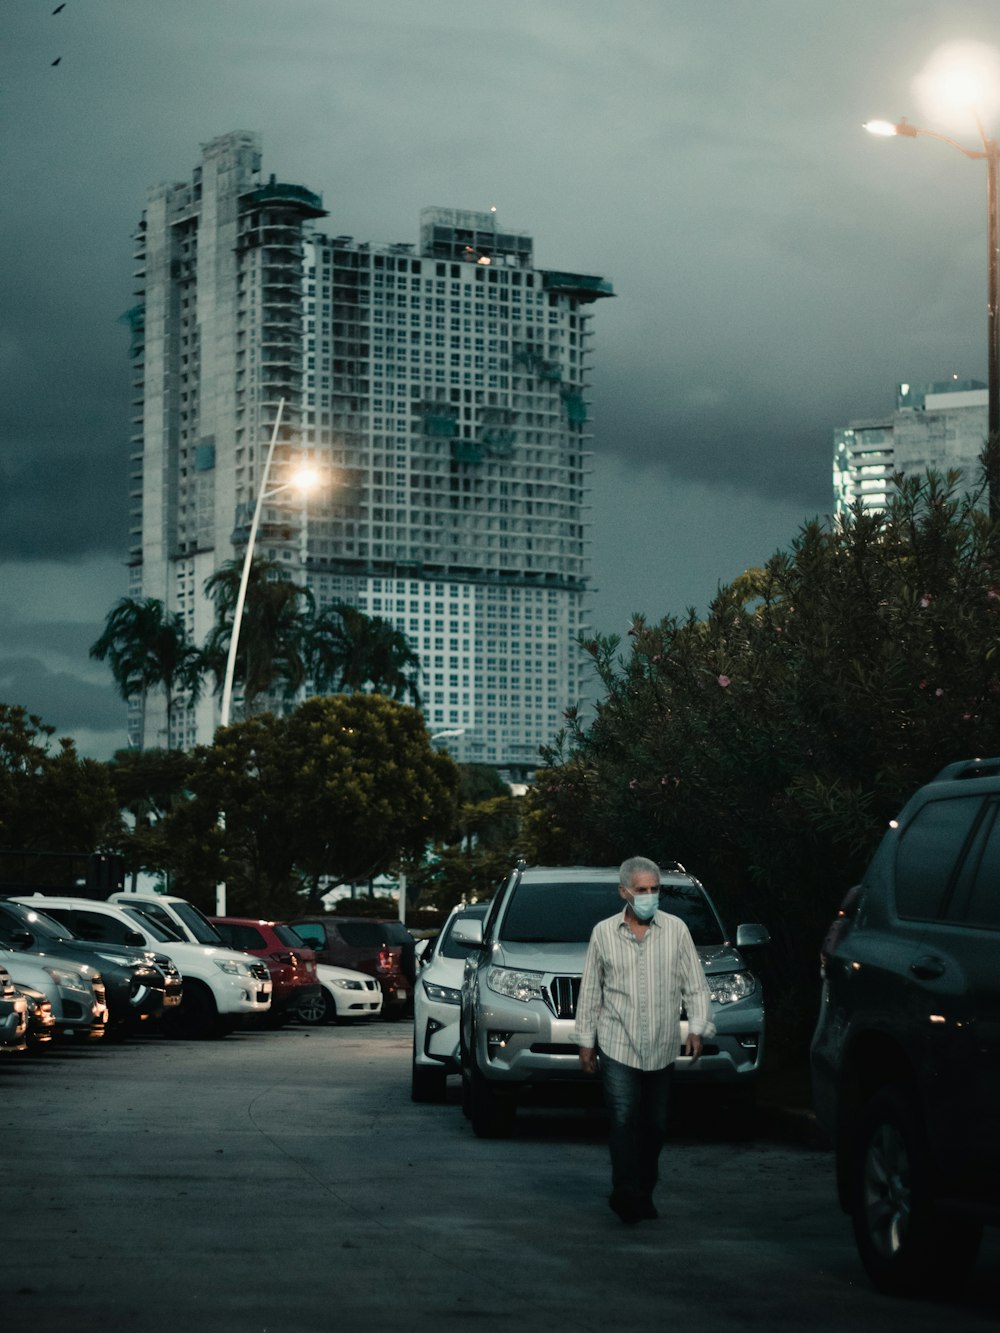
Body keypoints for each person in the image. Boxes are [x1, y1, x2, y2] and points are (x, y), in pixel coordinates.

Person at [573, 856, 715, 1224]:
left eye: (655, 890)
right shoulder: (603, 933)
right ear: (624, 892)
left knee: (654, 1124)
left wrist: (697, 1027)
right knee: (623, 1119)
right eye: (642, 890)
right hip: (618, 1042)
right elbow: (591, 992)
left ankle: (645, 1190)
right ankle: (625, 1193)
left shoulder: (677, 930)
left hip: (662, 1045)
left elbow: (694, 985)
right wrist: (586, 1043)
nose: (650, 896)